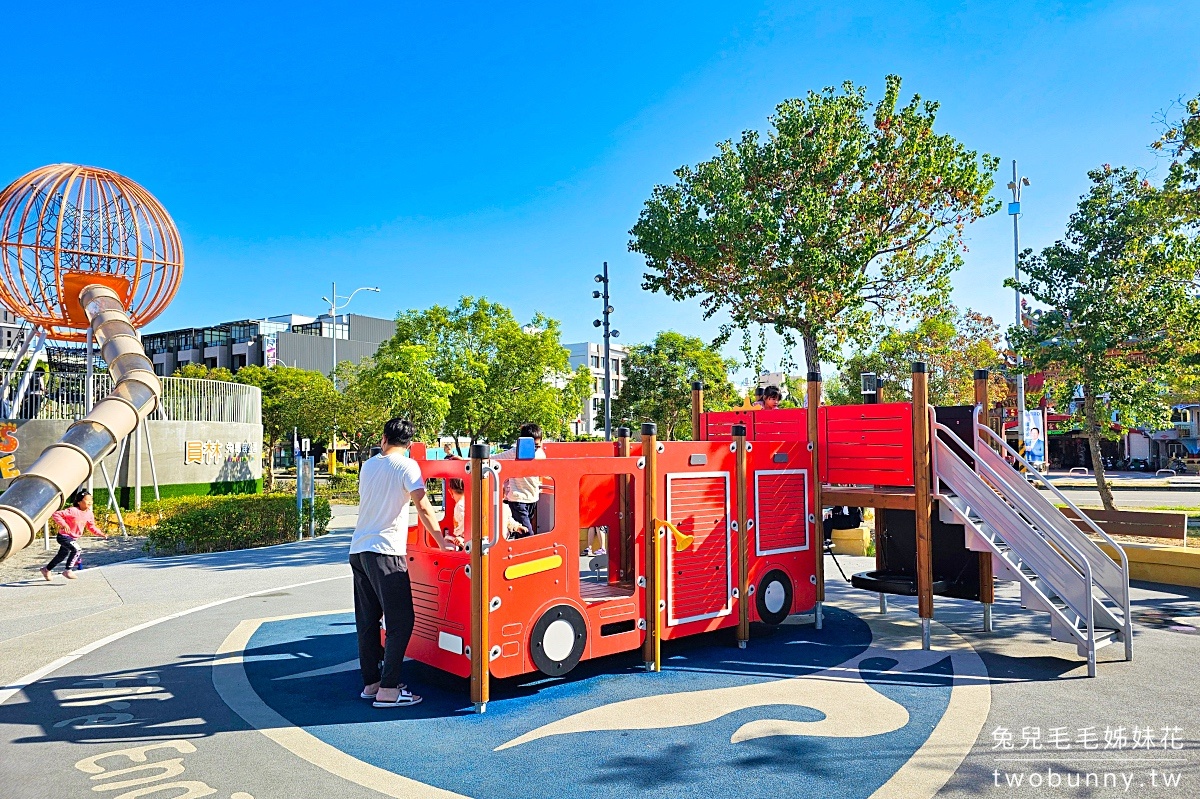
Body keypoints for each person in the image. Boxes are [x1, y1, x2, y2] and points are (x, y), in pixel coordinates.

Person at [350, 418, 446, 709]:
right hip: (386, 552)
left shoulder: (368, 466)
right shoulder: (407, 466)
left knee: (367, 622)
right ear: (407, 444)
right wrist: (442, 541)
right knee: (401, 621)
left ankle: (372, 683)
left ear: (383, 439)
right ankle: (389, 690)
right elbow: (423, 505)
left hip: (359, 550)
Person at [41, 489, 105, 581]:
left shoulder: (89, 514)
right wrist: (64, 524)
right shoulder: (73, 511)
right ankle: (68, 570)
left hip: (72, 538)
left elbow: (91, 527)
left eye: (91, 500)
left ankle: (46, 570)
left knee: (61, 556)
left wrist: (100, 533)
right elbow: (56, 514)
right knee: (77, 549)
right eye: (87, 500)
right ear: (79, 502)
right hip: (63, 536)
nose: (90, 502)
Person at [445, 478, 526, 549]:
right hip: (489, 541)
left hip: (499, 541)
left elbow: (508, 520)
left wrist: (517, 527)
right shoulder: (483, 506)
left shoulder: (504, 507)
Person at [496, 422, 546, 537]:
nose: (534, 449)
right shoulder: (515, 452)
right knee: (527, 533)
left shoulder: (540, 454)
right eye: (530, 446)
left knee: (520, 533)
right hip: (518, 499)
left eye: (537, 445)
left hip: (532, 498)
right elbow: (492, 459)